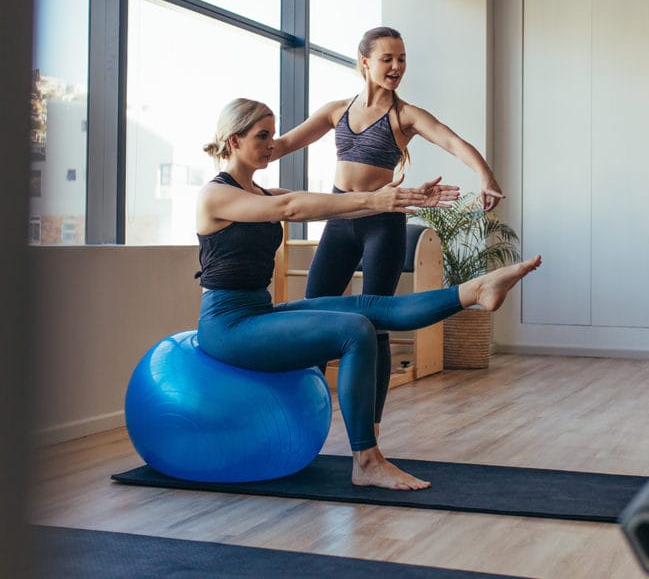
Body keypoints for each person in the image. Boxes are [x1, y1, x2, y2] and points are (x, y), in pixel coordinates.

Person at [196, 98, 541, 490]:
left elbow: (334, 208)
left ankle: (475, 290)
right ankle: (366, 460)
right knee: (354, 330)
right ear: (234, 139)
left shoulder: (260, 191)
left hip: (259, 312)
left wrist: (402, 200)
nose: (272, 144)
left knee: (369, 308)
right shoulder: (215, 195)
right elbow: (292, 208)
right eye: (262, 136)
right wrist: (375, 199)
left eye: (273, 134)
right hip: (227, 325)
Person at [269, 26, 504, 428]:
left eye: (401, 59)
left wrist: (485, 176)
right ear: (365, 62)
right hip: (341, 220)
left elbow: (453, 142)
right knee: (314, 315)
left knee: (375, 322)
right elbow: (283, 145)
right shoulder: (336, 110)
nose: (396, 66)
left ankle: (370, 428)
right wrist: (235, 147)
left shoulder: (404, 115)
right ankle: (298, 416)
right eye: (387, 59)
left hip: (383, 225)